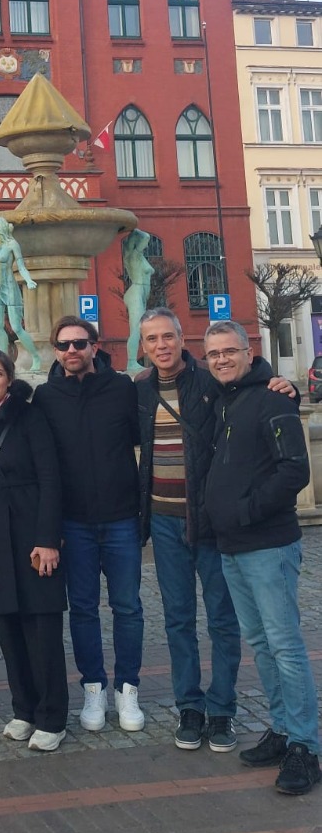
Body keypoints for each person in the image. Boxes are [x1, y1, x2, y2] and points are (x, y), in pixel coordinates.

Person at [137, 308, 296, 753]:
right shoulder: (139, 390)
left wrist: (287, 385)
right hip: (164, 520)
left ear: (180, 339)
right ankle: (190, 706)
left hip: (209, 520)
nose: (161, 346)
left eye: (168, 337)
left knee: (223, 620)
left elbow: (256, 389)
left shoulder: (210, 383)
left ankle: (222, 708)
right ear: (143, 346)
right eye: (152, 340)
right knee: (178, 619)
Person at [203, 320, 319, 796]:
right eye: (214, 354)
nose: (222, 359)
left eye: (230, 351)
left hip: (268, 543)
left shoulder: (274, 400)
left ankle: (306, 747)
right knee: (262, 644)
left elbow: (295, 469)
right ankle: (282, 729)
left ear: (249, 353)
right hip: (232, 547)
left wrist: (247, 511)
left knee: (286, 645)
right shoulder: (222, 401)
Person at [34, 316, 144, 734]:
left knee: (128, 607)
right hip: (74, 522)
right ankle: (94, 687)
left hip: (120, 518)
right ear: (55, 351)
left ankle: (128, 688)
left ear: (94, 346)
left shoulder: (122, 388)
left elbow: (144, 436)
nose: (72, 351)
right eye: (63, 345)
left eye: (80, 343)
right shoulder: (45, 397)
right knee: (82, 610)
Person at [0, 348, 67, 749]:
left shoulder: (29, 415)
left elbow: (50, 477)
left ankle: (52, 717)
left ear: (9, 378)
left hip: (31, 533)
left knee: (42, 628)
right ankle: (23, 709)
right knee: (8, 628)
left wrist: (47, 538)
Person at [0, 216, 41, 369]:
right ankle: (3, 362)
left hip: (10, 289)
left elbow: (21, 267)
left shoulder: (13, 244)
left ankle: (36, 358)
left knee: (16, 327)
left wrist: (28, 280)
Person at [122, 229, 153, 373]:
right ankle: (131, 363)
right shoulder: (133, 256)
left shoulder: (139, 257)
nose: (145, 245)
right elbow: (146, 236)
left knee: (138, 329)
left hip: (141, 293)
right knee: (135, 329)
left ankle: (132, 362)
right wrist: (134, 228)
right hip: (136, 291)